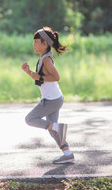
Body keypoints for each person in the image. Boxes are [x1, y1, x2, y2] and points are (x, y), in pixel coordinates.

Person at [21, 26, 74, 164]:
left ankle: (58, 127)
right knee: (52, 130)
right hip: (54, 98)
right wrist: (28, 72)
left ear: (44, 43)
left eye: (36, 42)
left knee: (30, 119)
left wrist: (40, 77)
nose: (33, 44)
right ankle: (67, 154)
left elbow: (56, 77)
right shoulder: (43, 58)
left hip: (51, 100)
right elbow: (39, 77)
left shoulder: (46, 60)